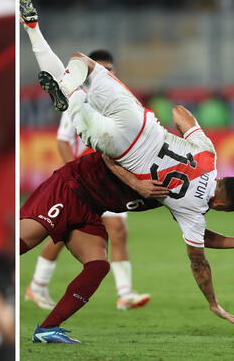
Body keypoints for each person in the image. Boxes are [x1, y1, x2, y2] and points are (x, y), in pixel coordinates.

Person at [19, 0, 234, 344]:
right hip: (87, 173)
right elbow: (199, 258)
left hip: (139, 126)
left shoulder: (209, 157)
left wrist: (187, 128)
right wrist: (214, 299)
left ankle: (46, 330)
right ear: (222, 206)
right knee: (21, 243)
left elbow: (181, 111)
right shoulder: (194, 210)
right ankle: (67, 93)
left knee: (81, 64)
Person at [23, 39, 149, 311]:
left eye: (110, 69)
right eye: (101, 69)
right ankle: (37, 285)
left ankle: (125, 293)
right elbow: (62, 141)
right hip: (85, 179)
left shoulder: (118, 103)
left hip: (112, 179)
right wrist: (74, 178)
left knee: (118, 230)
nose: (107, 73)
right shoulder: (78, 100)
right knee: (59, 231)